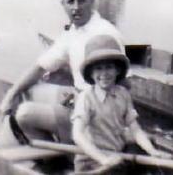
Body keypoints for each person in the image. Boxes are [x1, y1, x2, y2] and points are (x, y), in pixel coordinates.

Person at [0, 0, 123, 143]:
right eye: (71, 2)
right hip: (78, 97)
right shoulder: (73, 32)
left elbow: (123, 84)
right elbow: (41, 67)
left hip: (95, 109)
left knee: (24, 113)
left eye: (81, 1)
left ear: (92, 1)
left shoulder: (105, 33)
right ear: (63, 4)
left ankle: (64, 154)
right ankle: (56, 147)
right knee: (29, 91)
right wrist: (10, 95)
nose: (76, 8)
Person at [72, 34, 168, 173]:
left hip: (116, 156)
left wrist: (152, 151)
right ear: (91, 73)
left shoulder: (123, 94)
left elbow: (135, 129)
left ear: (117, 70)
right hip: (92, 162)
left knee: (148, 144)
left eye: (109, 67)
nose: (104, 73)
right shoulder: (86, 98)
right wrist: (103, 159)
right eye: (98, 69)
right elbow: (78, 135)